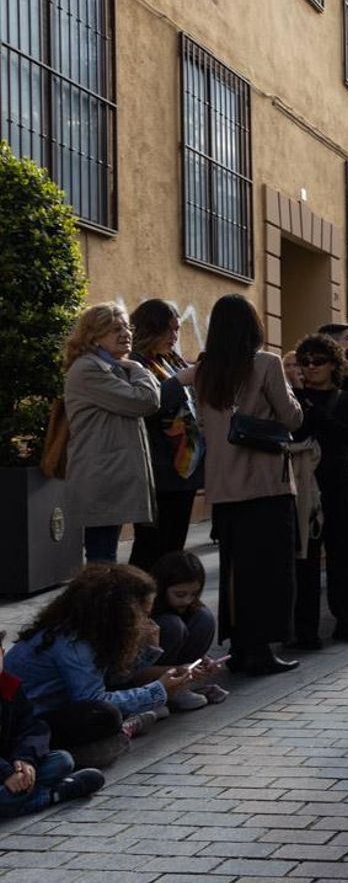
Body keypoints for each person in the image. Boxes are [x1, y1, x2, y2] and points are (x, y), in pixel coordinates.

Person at [194, 294, 305, 676]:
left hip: (223, 487)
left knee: (235, 571)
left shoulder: (204, 369)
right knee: (271, 570)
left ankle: (240, 645)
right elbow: (291, 418)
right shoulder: (267, 363)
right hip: (265, 484)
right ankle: (261, 649)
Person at [5, 564, 193, 768]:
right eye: (142, 615)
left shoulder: (90, 633)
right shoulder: (72, 642)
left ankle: (122, 729)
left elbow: (113, 678)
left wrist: (149, 650)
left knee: (112, 709)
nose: (144, 621)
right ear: (120, 614)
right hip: (27, 723)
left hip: (57, 706)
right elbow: (92, 699)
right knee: (105, 715)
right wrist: (157, 691)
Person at [62, 303, 161, 563]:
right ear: (94, 335)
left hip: (111, 474)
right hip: (102, 476)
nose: (126, 333)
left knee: (106, 555)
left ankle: (105, 602)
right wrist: (140, 369)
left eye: (127, 326)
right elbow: (146, 400)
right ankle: (98, 604)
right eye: (116, 328)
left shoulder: (112, 366)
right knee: (102, 558)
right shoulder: (89, 369)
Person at [291, 334, 348, 644]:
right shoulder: (293, 400)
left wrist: (320, 417)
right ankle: (305, 629)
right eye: (305, 361)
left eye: (318, 361)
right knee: (305, 558)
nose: (311, 367)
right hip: (305, 484)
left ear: (334, 364)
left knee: (345, 555)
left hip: (340, 483)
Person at [126, 300, 204, 571]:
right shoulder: (134, 362)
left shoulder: (170, 360)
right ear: (150, 329)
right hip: (157, 471)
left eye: (177, 330)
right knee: (151, 547)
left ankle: (167, 605)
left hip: (182, 470)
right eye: (168, 330)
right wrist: (179, 382)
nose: (174, 337)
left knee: (173, 547)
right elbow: (145, 406)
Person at [0, 640, 105, 817]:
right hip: (4, 772)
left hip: (11, 764)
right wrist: (7, 774)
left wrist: (25, 761)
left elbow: (31, 727)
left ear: (2, 653)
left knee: (62, 760)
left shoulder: (8, 686)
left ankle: (20, 797)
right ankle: (51, 795)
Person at [147, 551, 227, 709]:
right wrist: (176, 669)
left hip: (173, 669)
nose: (187, 600)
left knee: (204, 617)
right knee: (173, 625)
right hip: (142, 676)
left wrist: (204, 661)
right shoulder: (147, 613)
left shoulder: (190, 610)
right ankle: (157, 691)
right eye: (180, 594)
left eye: (194, 594)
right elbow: (133, 672)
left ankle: (179, 688)